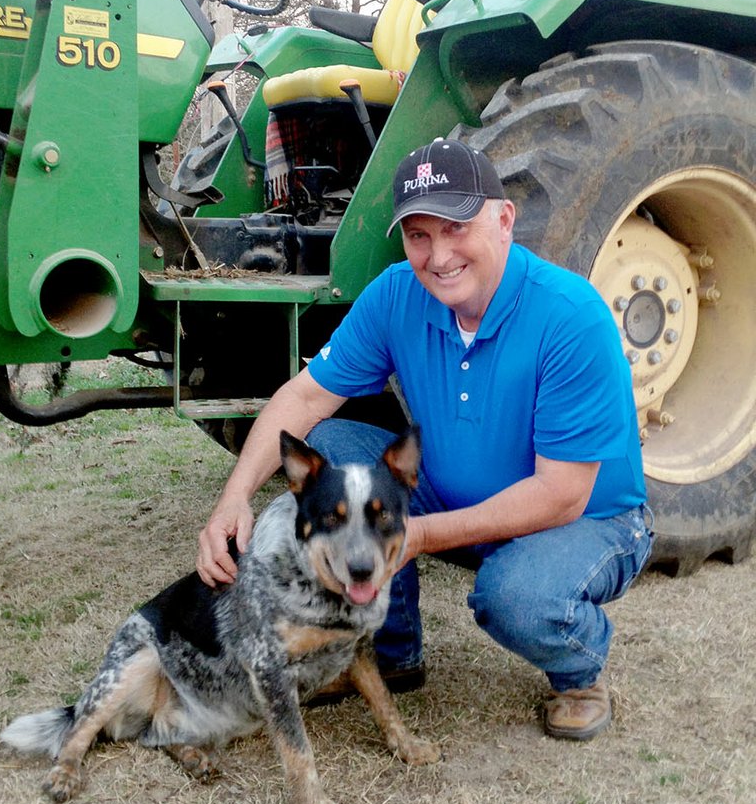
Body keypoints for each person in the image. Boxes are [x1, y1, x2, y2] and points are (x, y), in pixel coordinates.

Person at [198, 137, 653, 740]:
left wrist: (418, 534)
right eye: (418, 235)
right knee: (332, 443)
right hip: (452, 492)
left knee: (515, 598)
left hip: (588, 519)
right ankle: (391, 653)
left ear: (503, 220)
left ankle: (578, 667)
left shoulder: (572, 318)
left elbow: (561, 495)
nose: (438, 256)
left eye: (455, 228)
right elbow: (304, 399)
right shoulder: (396, 295)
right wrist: (233, 500)